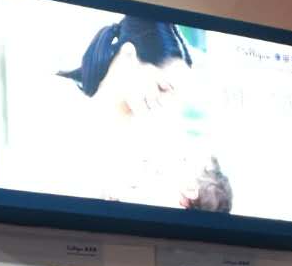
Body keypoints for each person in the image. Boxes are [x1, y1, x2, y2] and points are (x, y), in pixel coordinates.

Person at [58, 16, 233, 212]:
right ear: (128, 57)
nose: (166, 106)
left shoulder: (132, 148)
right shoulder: (61, 113)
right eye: (163, 88)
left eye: (174, 97)